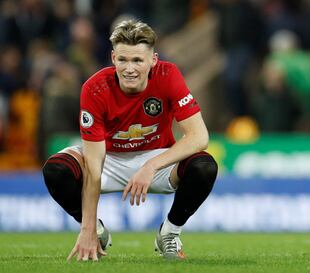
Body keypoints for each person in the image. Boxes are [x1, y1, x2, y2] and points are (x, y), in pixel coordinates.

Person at [42, 19, 218, 261]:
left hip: (157, 157)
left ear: (153, 61)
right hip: (108, 159)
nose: (129, 68)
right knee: (55, 170)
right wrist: (88, 229)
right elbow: (94, 167)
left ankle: (169, 233)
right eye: (123, 60)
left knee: (205, 166)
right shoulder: (94, 88)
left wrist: (151, 166)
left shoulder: (168, 75)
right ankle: (98, 231)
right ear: (113, 58)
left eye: (137, 60)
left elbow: (200, 136)